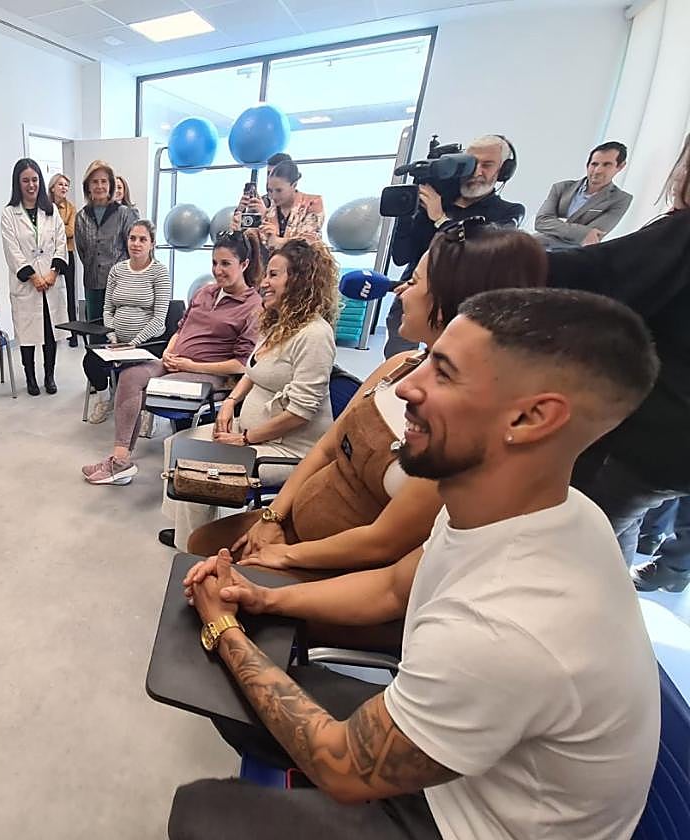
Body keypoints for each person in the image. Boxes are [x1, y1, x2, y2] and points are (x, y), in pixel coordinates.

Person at [172, 287, 661, 840]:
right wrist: (263, 597)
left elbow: (343, 768)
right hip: (467, 769)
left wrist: (222, 625)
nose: (407, 386)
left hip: (468, 822)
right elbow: (393, 586)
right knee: (227, 696)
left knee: (200, 814)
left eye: (444, 374)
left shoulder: (509, 626)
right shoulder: (531, 507)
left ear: (529, 417)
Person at [189, 223, 547, 576]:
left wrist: (285, 556)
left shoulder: (463, 424)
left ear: (455, 297)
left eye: (416, 281)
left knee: (205, 576)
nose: (400, 292)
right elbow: (328, 446)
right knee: (199, 545)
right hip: (295, 519)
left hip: (334, 566)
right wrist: (272, 517)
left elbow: (383, 545)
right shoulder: (397, 366)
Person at [552, 133, 690, 590]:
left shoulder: (680, 235)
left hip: (655, 434)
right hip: (669, 446)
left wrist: (498, 259)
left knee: (571, 539)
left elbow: (600, 272)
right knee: (614, 528)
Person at [160, 240, 338, 550]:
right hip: (251, 432)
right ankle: (189, 534)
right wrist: (229, 403)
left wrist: (245, 439)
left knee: (196, 466)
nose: (264, 282)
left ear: (299, 279)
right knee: (177, 445)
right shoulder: (278, 322)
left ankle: (195, 546)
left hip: (288, 449)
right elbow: (252, 370)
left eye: (273, 275)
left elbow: (300, 413)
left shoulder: (315, 335)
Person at [81, 231, 261, 486]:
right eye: (214, 263)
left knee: (147, 392)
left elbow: (242, 364)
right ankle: (120, 459)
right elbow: (181, 327)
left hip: (208, 373)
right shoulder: (205, 292)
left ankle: (120, 464)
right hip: (174, 361)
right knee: (130, 375)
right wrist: (168, 351)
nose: (218, 270)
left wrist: (191, 365)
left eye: (225, 264)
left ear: (244, 264)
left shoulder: (253, 306)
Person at [384, 134, 526, 357]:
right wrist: (408, 212)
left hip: (463, 307)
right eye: (472, 163)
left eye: (487, 165)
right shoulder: (432, 200)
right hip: (412, 293)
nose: (477, 171)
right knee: (397, 357)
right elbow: (401, 257)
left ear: (504, 171)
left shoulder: (509, 212)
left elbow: (478, 255)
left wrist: (440, 218)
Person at [83, 220, 171, 424]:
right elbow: (107, 309)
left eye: (142, 239)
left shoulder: (159, 273)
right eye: (132, 238)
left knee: (135, 372)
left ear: (152, 244)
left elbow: (159, 319)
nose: (136, 244)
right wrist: (113, 337)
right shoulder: (117, 270)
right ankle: (105, 399)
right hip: (117, 341)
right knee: (90, 361)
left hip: (148, 344)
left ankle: (147, 408)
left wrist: (134, 343)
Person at [1, 158, 68, 396]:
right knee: (28, 334)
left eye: (35, 180)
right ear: (18, 184)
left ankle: (49, 376)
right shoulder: (9, 214)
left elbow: (61, 242)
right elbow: (12, 251)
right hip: (27, 286)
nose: (31, 185)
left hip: (51, 281)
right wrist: (33, 277)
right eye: (25, 180)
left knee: (51, 333)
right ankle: (30, 377)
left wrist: (53, 272)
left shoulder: (50, 211)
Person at [534, 141, 632, 250]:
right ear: (587, 165)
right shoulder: (561, 187)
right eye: (594, 164)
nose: (598, 170)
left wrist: (557, 225)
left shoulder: (620, 199)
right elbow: (541, 222)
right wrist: (582, 232)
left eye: (607, 165)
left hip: (572, 255)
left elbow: (593, 237)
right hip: (537, 248)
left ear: (620, 166)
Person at [75, 160, 139, 323]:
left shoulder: (125, 214)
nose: (99, 186)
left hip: (120, 285)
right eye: (94, 182)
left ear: (110, 185)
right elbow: (82, 251)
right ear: (88, 186)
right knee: (96, 332)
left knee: (118, 334)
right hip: (92, 284)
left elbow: (134, 250)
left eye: (104, 181)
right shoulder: (81, 217)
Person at [244, 159, 324, 251]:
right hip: (273, 264)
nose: (273, 196)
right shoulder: (268, 210)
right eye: (270, 190)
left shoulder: (312, 202)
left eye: (279, 190)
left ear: (294, 185)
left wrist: (279, 241)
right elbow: (256, 243)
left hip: (305, 263)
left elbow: (309, 241)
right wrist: (240, 227)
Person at [50, 173, 79, 348]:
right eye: (60, 184)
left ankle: (73, 334)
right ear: (52, 187)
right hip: (49, 256)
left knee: (70, 294)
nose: (64, 188)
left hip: (68, 253)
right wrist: (60, 227)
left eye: (66, 185)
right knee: (53, 295)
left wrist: (55, 228)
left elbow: (70, 231)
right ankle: (54, 331)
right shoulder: (44, 207)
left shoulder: (71, 207)